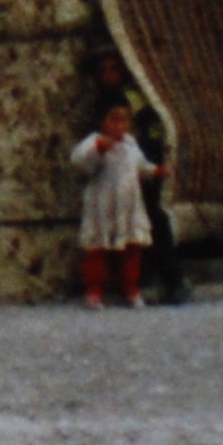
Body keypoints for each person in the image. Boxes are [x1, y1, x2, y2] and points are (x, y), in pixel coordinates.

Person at [90, 50, 181, 301]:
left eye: (114, 69)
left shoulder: (136, 98)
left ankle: (169, 278)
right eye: (104, 71)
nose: (109, 76)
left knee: (153, 222)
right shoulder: (102, 104)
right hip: (115, 179)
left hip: (139, 167)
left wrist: (151, 164)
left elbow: (150, 128)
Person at [69, 102, 162, 310]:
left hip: (128, 206)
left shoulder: (131, 145)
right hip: (103, 204)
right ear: (103, 122)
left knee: (132, 246)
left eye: (124, 120)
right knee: (97, 247)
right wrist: (99, 150)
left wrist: (155, 171)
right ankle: (94, 291)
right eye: (115, 120)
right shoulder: (94, 142)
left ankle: (131, 288)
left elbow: (141, 166)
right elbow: (79, 161)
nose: (120, 126)